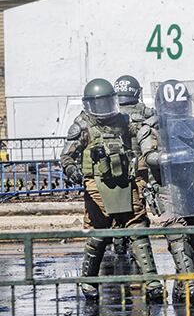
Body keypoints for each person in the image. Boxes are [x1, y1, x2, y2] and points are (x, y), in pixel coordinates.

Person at [60, 78, 162, 302]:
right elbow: (67, 156)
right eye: (99, 103)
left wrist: (154, 122)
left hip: (125, 180)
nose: (103, 108)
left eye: (107, 102)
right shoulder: (82, 124)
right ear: (89, 104)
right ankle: (88, 281)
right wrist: (73, 171)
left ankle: (152, 280)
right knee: (98, 231)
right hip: (96, 184)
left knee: (138, 224)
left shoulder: (122, 120)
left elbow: (140, 129)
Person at [140, 79, 194, 303]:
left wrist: (189, 136)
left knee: (193, 240)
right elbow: (149, 157)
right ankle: (192, 284)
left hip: (192, 189)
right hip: (166, 190)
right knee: (178, 238)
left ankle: (181, 287)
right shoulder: (153, 126)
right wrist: (172, 157)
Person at [113, 75, 156, 270]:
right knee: (139, 210)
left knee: (117, 208)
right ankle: (137, 248)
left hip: (117, 167)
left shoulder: (111, 112)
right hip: (140, 167)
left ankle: (119, 244)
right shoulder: (146, 112)